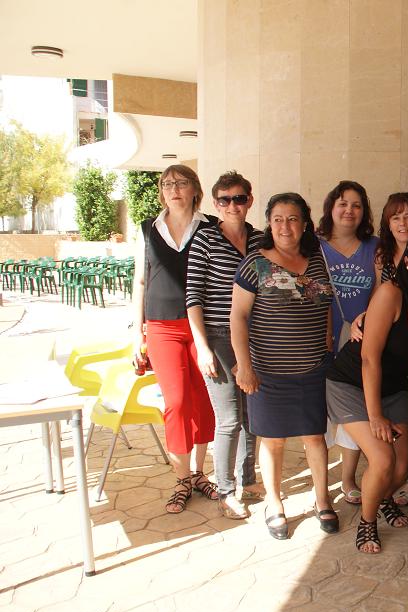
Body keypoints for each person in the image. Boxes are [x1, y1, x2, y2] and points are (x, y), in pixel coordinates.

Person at [326, 233, 408, 553]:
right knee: (382, 459)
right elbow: (369, 358)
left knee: (401, 469)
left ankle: (382, 499)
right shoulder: (390, 294)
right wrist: (375, 415)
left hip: (392, 387)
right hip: (351, 383)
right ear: (407, 263)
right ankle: (367, 523)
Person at [230, 192, 339, 540]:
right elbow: (238, 317)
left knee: (314, 437)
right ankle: (274, 503)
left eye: (292, 219)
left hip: (312, 370)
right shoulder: (255, 264)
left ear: (304, 223)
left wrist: (326, 340)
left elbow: (324, 304)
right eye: (277, 219)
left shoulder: (317, 260)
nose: (285, 226)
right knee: (273, 440)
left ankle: (322, 500)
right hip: (268, 373)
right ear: (269, 223)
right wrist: (244, 366)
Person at [131, 164, 218, 514]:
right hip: (161, 326)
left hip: (203, 327)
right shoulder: (147, 229)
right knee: (177, 402)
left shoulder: (211, 227)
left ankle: (198, 473)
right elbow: (140, 281)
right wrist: (135, 332)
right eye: (167, 184)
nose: (174, 189)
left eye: (181, 183)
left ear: (195, 189)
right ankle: (181, 479)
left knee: (204, 401)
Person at [186, 171, 265, 519]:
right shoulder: (205, 240)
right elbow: (193, 297)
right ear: (216, 204)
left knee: (251, 414)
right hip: (217, 337)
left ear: (249, 200)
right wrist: (202, 346)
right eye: (225, 200)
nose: (233, 205)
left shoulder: (261, 239)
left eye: (239, 198)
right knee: (229, 418)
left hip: (252, 337)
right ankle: (226, 490)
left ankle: (247, 478)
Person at [316, 180, 378, 507]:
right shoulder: (314, 246)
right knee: (321, 413)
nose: (349, 210)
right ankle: (320, 482)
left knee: (355, 408)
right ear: (331, 207)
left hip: (360, 339)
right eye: (342, 203)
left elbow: (382, 291)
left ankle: (348, 477)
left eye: (356, 205)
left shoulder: (375, 247)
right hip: (321, 337)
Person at [374, 192, 408, 284]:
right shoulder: (382, 254)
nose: (402, 223)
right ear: (389, 225)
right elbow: (378, 288)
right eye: (396, 218)